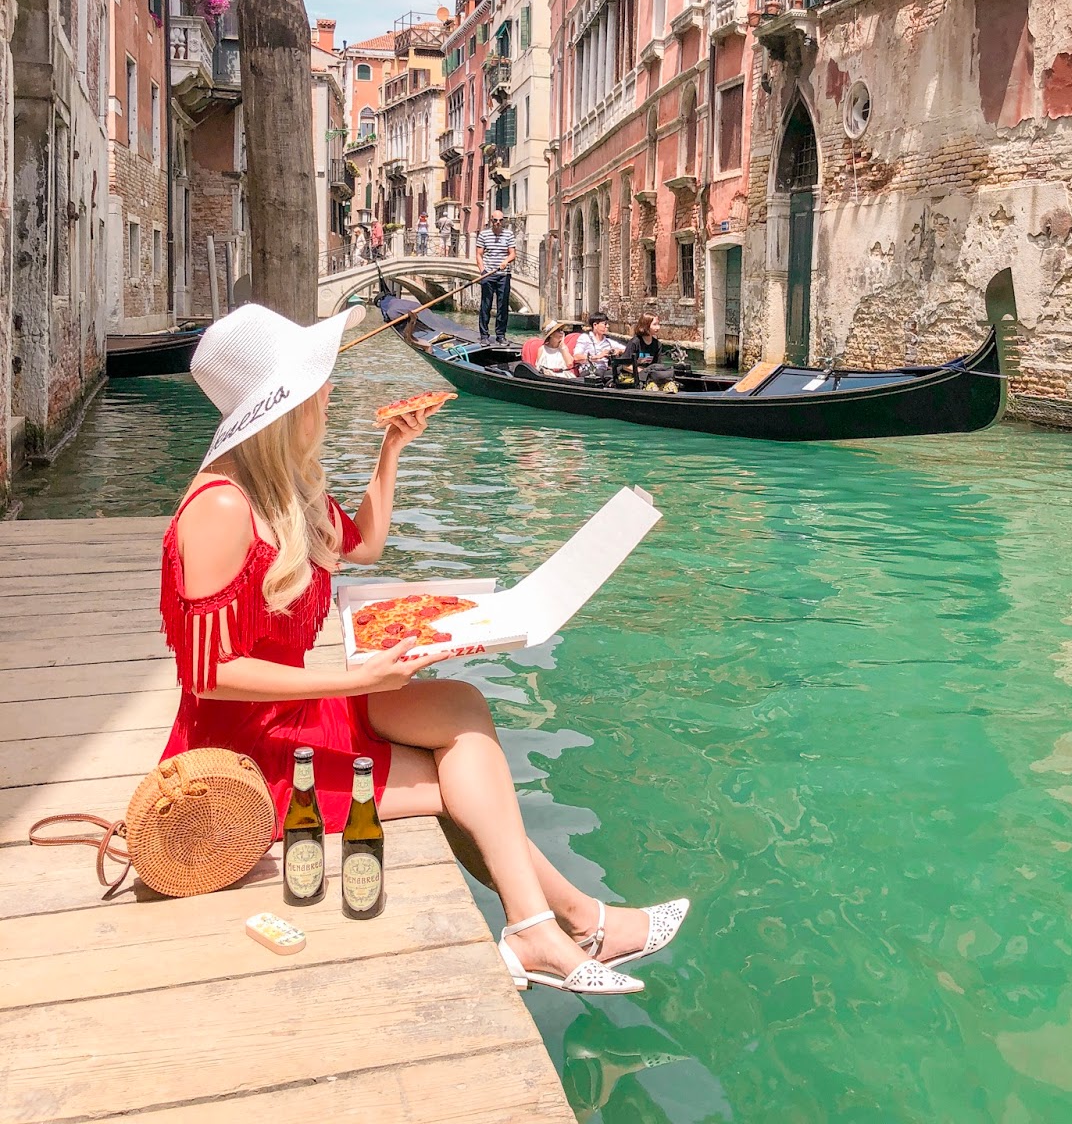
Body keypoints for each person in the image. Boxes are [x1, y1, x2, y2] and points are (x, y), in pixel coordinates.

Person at [159, 303, 688, 994]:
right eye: (317, 382)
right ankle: (565, 927)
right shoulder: (221, 507)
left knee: (461, 706)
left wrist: (392, 450)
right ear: (283, 405)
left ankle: (564, 926)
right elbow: (209, 675)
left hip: (299, 710)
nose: (329, 391)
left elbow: (365, 546)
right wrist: (358, 680)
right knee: (462, 789)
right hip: (245, 754)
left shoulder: (286, 489)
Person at [476, 210, 516, 345]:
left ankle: (500, 335)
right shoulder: (484, 234)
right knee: (485, 305)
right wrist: (482, 271)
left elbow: (512, 254)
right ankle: (484, 336)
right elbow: (479, 254)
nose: (498, 223)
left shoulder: (509, 234)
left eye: (500, 220)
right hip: (488, 274)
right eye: (495, 220)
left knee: (503, 306)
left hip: (504, 275)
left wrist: (506, 261)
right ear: (491, 221)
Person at [573, 313, 619, 383]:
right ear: (595, 325)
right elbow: (576, 357)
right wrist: (598, 356)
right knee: (603, 374)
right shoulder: (585, 338)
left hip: (604, 371)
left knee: (620, 371)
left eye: (608, 324)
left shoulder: (608, 341)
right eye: (605, 324)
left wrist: (618, 351)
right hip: (588, 371)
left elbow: (625, 349)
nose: (607, 326)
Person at [618, 313, 661, 378]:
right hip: (630, 376)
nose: (658, 327)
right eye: (654, 324)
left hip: (648, 376)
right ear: (646, 325)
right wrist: (643, 372)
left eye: (658, 324)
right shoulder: (634, 343)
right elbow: (625, 366)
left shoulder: (657, 344)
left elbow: (657, 365)